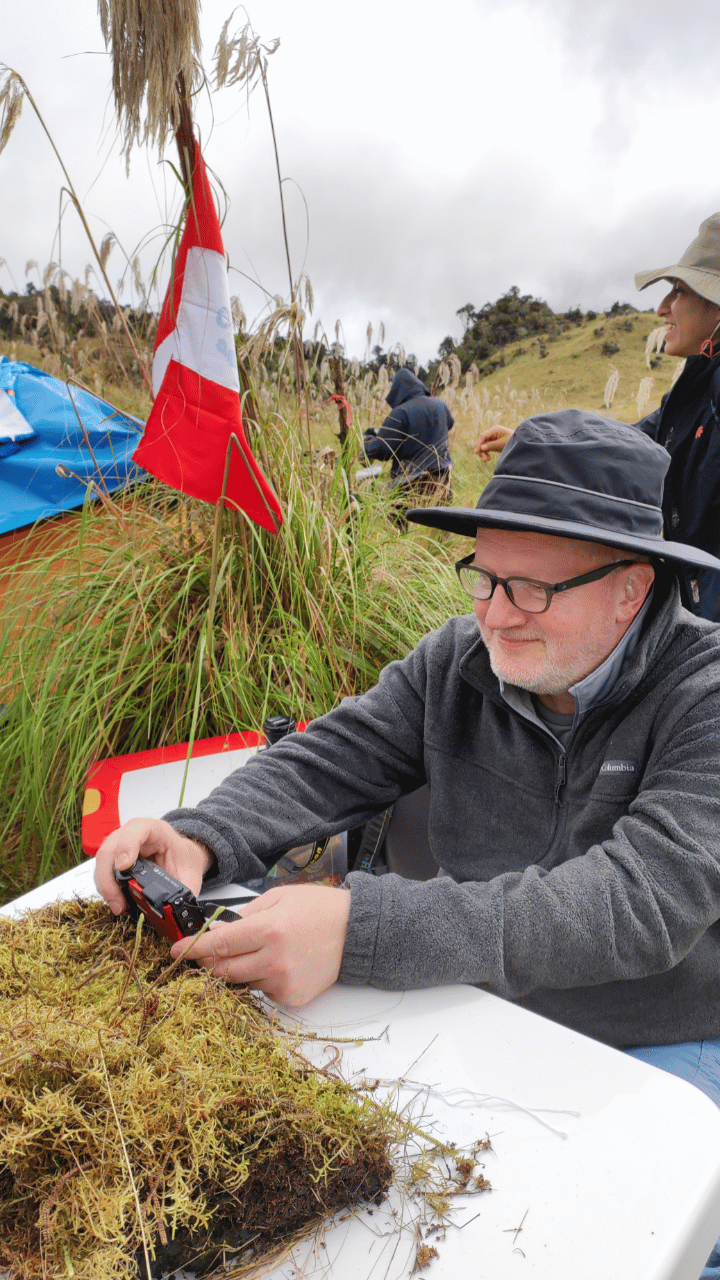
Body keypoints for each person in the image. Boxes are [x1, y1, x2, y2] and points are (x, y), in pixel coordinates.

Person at [474, 214, 720, 621]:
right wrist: (534, 440)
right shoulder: (693, 391)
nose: (662, 308)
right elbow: (633, 445)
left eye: (678, 291)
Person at [362, 367, 454, 507]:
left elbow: (382, 450)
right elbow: (450, 423)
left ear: (397, 391)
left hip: (411, 488)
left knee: (397, 524)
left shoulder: (400, 412)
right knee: (439, 526)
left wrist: (368, 440)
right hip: (443, 483)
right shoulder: (440, 405)